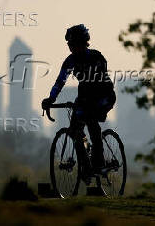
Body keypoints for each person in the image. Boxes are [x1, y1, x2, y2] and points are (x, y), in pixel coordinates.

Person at [42, 24, 116, 179]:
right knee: (75, 129)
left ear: (83, 43)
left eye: (74, 44)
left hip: (104, 96)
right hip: (85, 98)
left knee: (91, 120)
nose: (71, 48)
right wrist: (50, 99)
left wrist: (86, 103)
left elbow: (97, 82)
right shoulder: (70, 61)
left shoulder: (96, 57)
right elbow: (60, 81)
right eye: (69, 45)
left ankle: (99, 163)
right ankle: (86, 167)